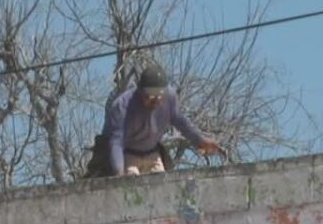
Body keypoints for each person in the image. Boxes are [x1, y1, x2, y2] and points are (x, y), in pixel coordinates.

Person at [86, 64, 222, 177]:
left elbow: (181, 122)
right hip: (128, 156)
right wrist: (118, 172)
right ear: (140, 92)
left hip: (152, 154)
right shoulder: (123, 106)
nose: (155, 101)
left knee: (162, 189)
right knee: (131, 190)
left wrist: (200, 141)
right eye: (150, 97)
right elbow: (117, 141)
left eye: (159, 96)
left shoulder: (170, 98)